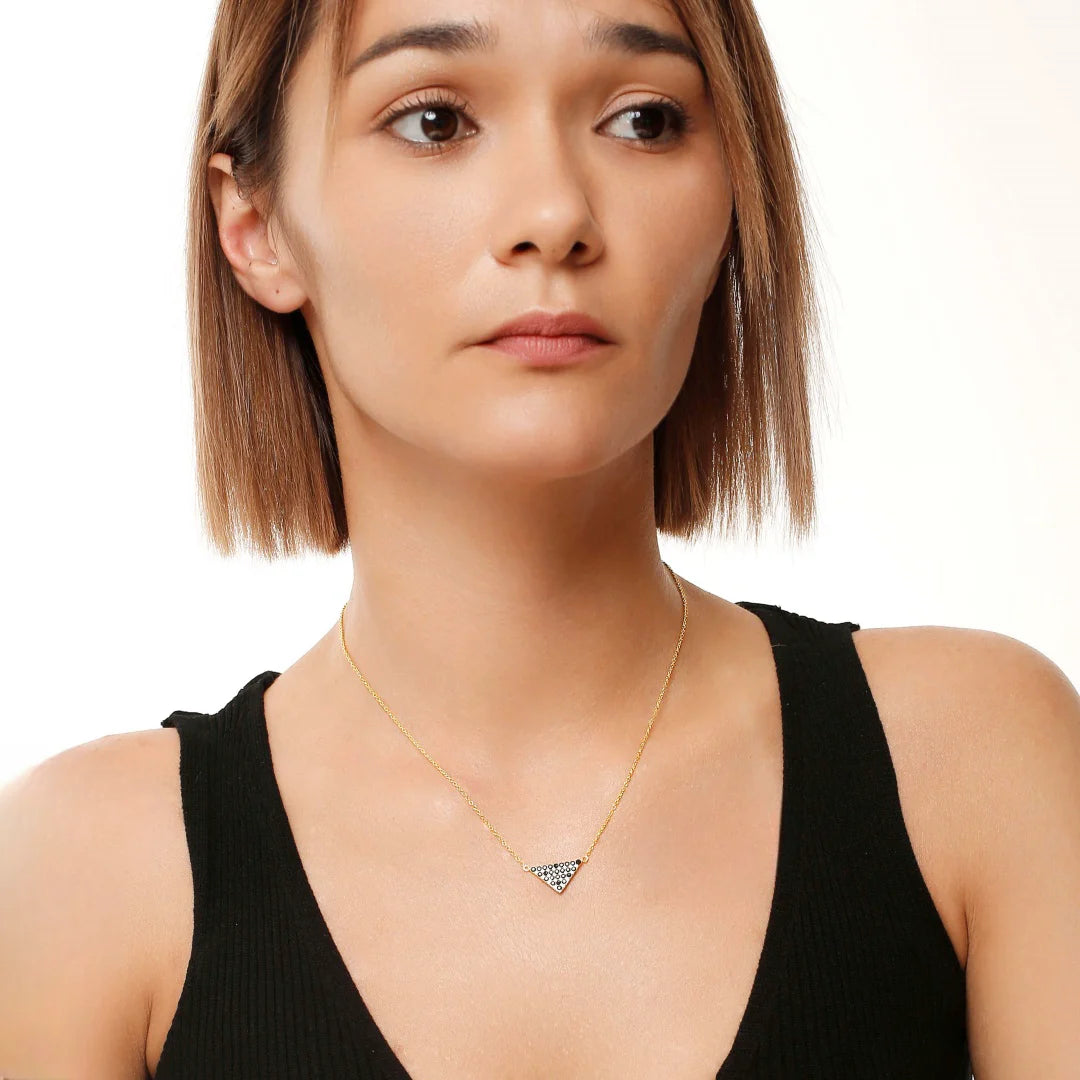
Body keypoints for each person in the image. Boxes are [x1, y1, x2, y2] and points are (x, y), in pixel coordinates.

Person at [2, 0, 1078, 1077]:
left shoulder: (973, 762)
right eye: (434, 121)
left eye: (645, 120)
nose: (556, 214)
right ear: (256, 224)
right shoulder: (89, 875)